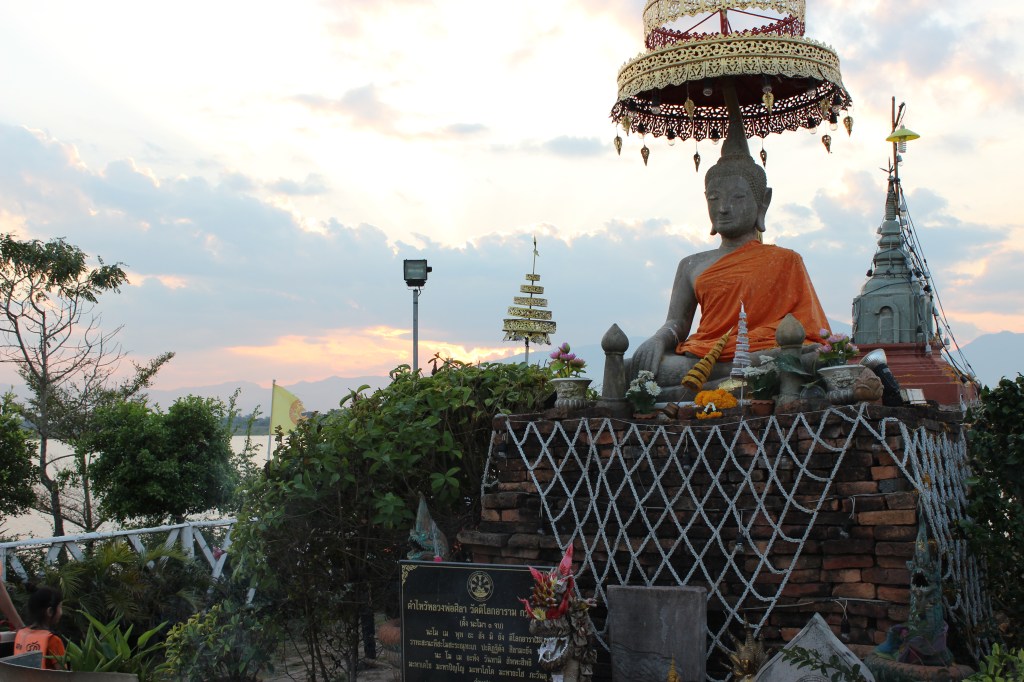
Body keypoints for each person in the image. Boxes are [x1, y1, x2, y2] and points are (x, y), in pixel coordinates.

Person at [627, 118, 829, 401]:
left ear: (764, 202)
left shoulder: (785, 260)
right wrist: (659, 339)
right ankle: (727, 386)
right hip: (702, 357)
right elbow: (677, 323)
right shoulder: (690, 264)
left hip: (761, 353)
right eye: (713, 198)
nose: (723, 208)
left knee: (812, 358)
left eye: (737, 197)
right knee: (633, 368)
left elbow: (808, 331)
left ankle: (691, 392)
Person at [13, 584, 66, 669]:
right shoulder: (53, 640)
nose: (61, 612)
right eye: (60, 607)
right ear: (50, 611)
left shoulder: (20, 634)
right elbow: (63, 673)